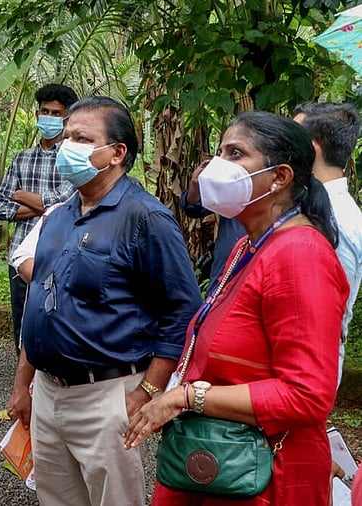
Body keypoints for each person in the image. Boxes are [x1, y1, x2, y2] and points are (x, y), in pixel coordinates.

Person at [124, 111, 349, 506]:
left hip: (264, 475)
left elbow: (306, 394)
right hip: (222, 461)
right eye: (219, 152)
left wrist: (185, 397)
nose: (216, 167)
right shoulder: (251, 245)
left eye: (235, 154)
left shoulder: (300, 255)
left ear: (280, 177)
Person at [6, 96, 201, 506]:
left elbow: (182, 313)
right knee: (55, 498)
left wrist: (146, 392)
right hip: (48, 393)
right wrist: (24, 383)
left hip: (107, 396)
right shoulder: (59, 215)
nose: (66, 145)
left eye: (82, 137)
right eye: (67, 136)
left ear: (117, 153)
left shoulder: (145, 218)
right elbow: (41, 300)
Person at [0, 83, 78, 354]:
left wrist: (20, 194)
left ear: (67, 120)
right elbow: (0, 205)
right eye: (45, 111)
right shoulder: (22, 159)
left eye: (56, 113)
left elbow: (63, 201)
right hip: (20, 253)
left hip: (59, 252)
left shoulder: (72, 160)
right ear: (36, 114)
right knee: (22, 323)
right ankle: (23, 385)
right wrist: (43, 205)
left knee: (55, 320)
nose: (49, 117)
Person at [294, 102, 362, 386]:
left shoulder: (338, 220)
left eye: (291, 137)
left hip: (304, 373)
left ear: (312, 148)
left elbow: (327, 316)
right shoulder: (307, 206)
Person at [180, 163, 247, 286]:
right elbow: (194, 208)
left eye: (235, 153)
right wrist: (196, 185)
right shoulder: (231, 186)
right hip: (223, 274)